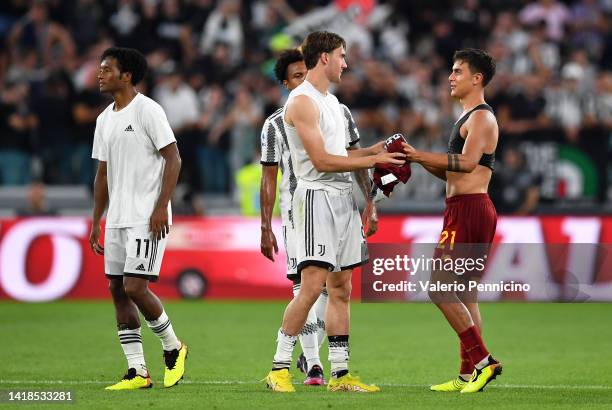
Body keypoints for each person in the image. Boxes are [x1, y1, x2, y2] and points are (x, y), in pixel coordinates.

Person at [262, 31, 405, 393]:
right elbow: (323, 161)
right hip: (315, 197)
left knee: (341, 288)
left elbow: (345, 154)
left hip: (342, 199)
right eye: (342, 55)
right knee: (310, 287)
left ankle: (340, 374)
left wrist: (380, 149)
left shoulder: (332, 102)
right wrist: (376, 158)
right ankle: (278, 368)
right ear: (324, 57)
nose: (346, 62)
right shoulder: (302, 101)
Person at [403, 48, 502, 393]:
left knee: (439, 287)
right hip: (465, 205)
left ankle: (483, 362)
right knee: (465, 293)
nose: (451, 76)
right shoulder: (468, 117)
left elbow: (467, 164)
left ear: (477, 79)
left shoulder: (481, 118)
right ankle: (468, 374)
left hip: (469, 208)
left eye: (458, 71)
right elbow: (450, 171)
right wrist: (415, 159)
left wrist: (419, 154)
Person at [89, 47, 187, 391]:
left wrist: (161, 206)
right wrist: (96, 219)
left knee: (135, 287)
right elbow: (102, 174)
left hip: (147, 216)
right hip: (117, 218)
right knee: (117, 289)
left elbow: (173, 159)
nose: (99, 74)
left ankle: (173, 345)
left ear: (126, 75)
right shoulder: (104, 119)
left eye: (106, 69)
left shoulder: (148, 110)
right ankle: (137, 372)